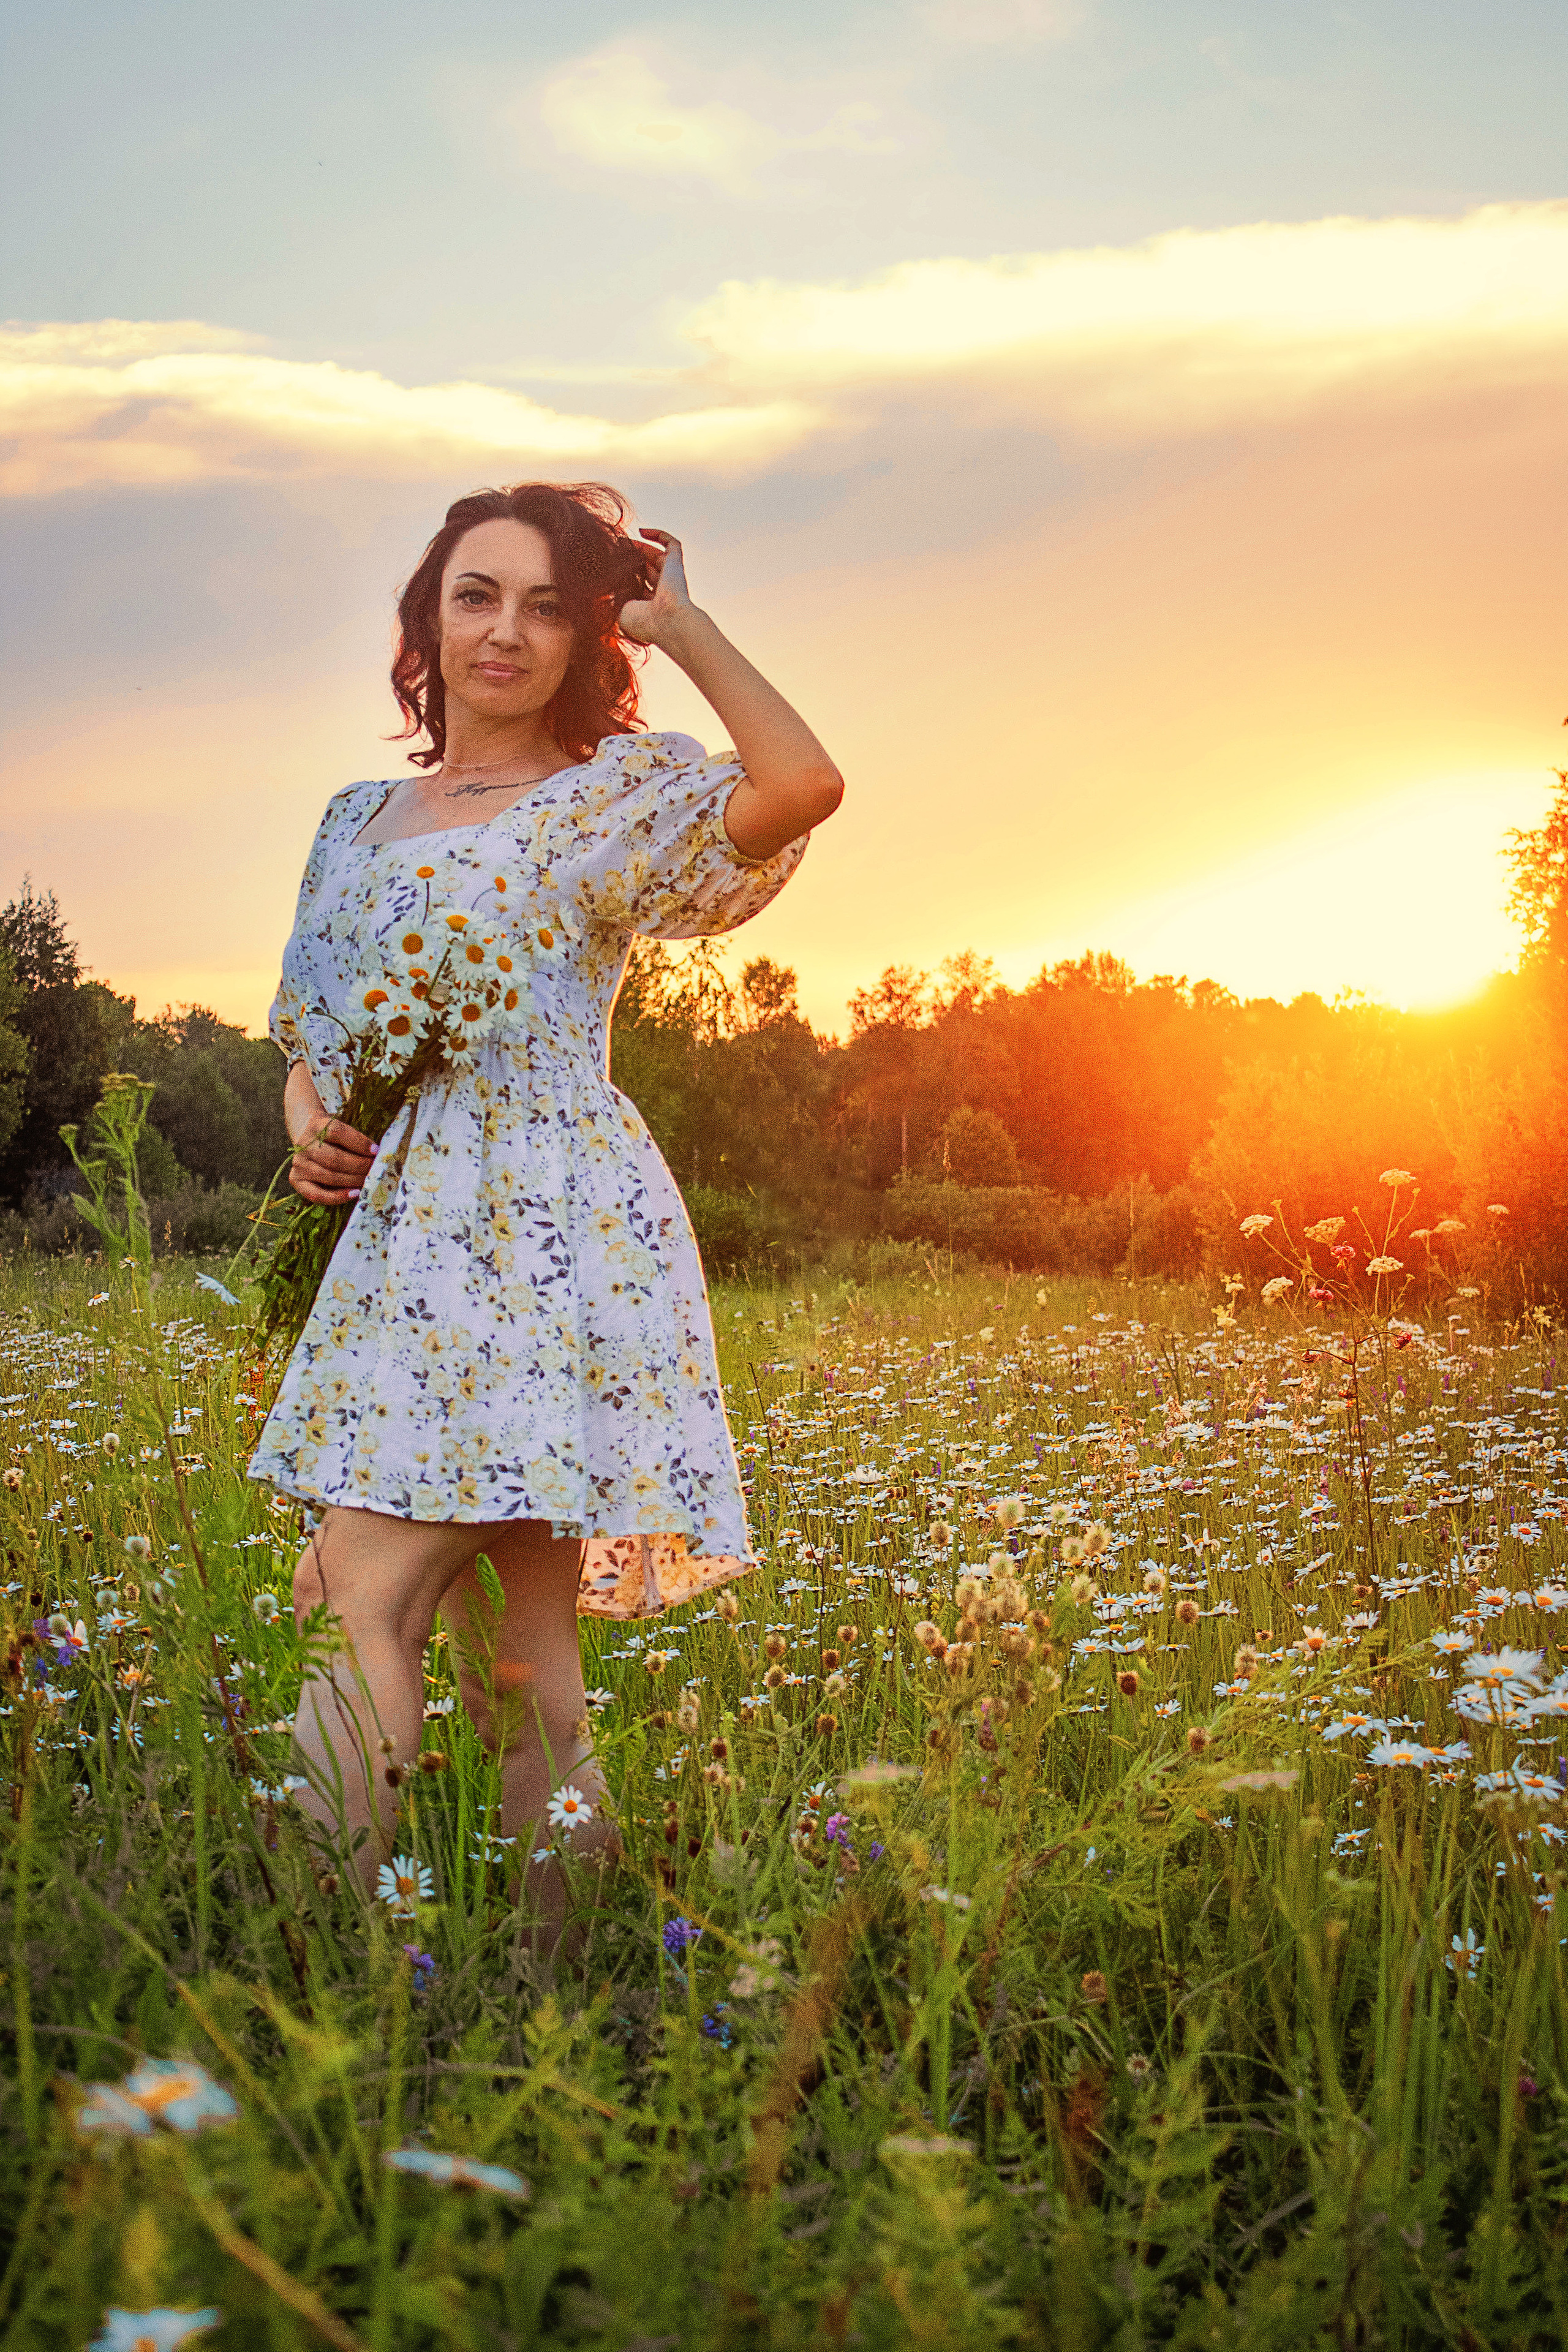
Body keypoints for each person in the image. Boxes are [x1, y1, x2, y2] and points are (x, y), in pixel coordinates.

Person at [248, 480, 842, 1932]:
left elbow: (801, 788)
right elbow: (309, 1039)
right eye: (474, 594)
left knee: (355, 1599)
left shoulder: (607, 802)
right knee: (523, 1663)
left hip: (542, 1231)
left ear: (589, 638)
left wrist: (686, 627)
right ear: (425, 621)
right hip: (395, 1244)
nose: (504, 630)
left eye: (545, 605)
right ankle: (550, 2006)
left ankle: (308, 1980)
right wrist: (315, 1125)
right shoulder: (352, 817)